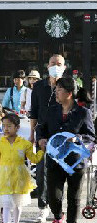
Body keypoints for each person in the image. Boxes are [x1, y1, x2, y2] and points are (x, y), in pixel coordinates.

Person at [36, 77, 95, 223]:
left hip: (75, 162)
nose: (56, 92)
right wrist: (41, 139)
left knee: (74, 199)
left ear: (69, 93)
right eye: (56, 89)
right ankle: (58, 215)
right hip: (54, 160)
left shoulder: (83, 113)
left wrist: (77, 138)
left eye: (59, 89)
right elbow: (41, 128)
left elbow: (91, 137)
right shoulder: (51, 110)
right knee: (53, 197)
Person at [0, 113, 45, 223]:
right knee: (6, 204)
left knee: (18, 203)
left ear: (17, 127)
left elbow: (34, 159)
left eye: (9, 126)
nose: (5, 129)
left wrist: (41, 150)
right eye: (4, 126)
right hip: (4, 177)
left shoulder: (25, 144)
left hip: (19, 177)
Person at [30, 54, 66, 222]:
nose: (56, 66)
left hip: (62, 135)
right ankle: (42, 207)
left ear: (64, 67)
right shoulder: (38, 87)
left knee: (59, 173)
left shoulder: (69, 85)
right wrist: (32, 134)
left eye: (59, 64)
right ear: (47, 66)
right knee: (42, 172)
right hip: (43, 135)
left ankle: (57, 209)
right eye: (53, 63)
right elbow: (34, 112)